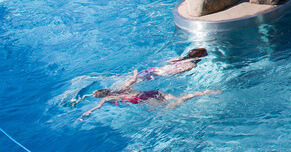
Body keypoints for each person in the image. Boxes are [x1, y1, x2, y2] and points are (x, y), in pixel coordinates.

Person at [79, 88, 219, 119]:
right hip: (149, 93)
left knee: (166, 110)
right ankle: (200, 92)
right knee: (174, 97)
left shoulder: (106, 99)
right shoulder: (119, 89)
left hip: (146, 100)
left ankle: (190, 96)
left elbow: (98, 106)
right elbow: (131, 81)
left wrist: (88, 112)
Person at [111, 48, 208, 91]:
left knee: (132, 79)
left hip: (153, 69)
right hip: (159, 74)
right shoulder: (191, 65)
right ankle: (117, 91)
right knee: (132, 82)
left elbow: (168, 61)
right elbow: (180, 72)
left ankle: (115, 84)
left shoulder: (178, 58)